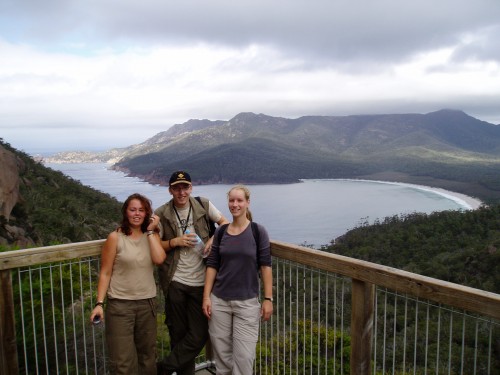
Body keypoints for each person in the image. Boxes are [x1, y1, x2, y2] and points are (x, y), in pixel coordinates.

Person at [155, 171, 229, 375]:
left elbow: (224, 223)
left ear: (191, 188)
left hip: (200, 283)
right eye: (177, 188)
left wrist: (214, 239)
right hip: (175, 281)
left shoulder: (203, 205)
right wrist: (174, 242)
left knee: (199, 335)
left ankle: (162, 368)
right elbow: (155, 246)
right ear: (170, 190)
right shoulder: (161, 213)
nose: (181, 192)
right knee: (178, 335)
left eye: (185, 187)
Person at [89, 193, 166, 375]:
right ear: (126, 212)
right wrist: (99, 303)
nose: (137, 214)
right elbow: (106, 272)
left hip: (147, 304)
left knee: (148, 356)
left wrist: (150, 231)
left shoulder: (152, 235)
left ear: (147, 213)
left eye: (141, 210)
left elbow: (160, 258)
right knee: (122, 361)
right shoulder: (115, 237)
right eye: (133, 210)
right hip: (120, 305)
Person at [202, 184, 273, 375]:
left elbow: (266, 266)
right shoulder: (221, 232)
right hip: (219, 301)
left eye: (239, 200)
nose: (235, 204)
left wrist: (268, 299)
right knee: (222, 358)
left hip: (247, 303)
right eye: (232, 200)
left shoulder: (258, 232)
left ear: (247, 203)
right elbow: (213, 265)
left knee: (244, 358)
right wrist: (206, 297)